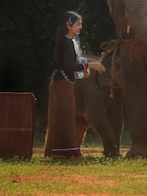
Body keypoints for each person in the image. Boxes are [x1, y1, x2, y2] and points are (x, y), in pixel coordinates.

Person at [44, 11, 105, 159]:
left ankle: (64, 151)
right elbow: (69, 65)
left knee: (67, 118)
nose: (80, 27)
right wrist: (91, 65)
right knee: (64, 118)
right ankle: (62, 152)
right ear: (68, 25)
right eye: (78, 24)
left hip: (66, 81)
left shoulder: (69, 42)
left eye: (80, 24)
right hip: (62, 82)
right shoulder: (67, 42)